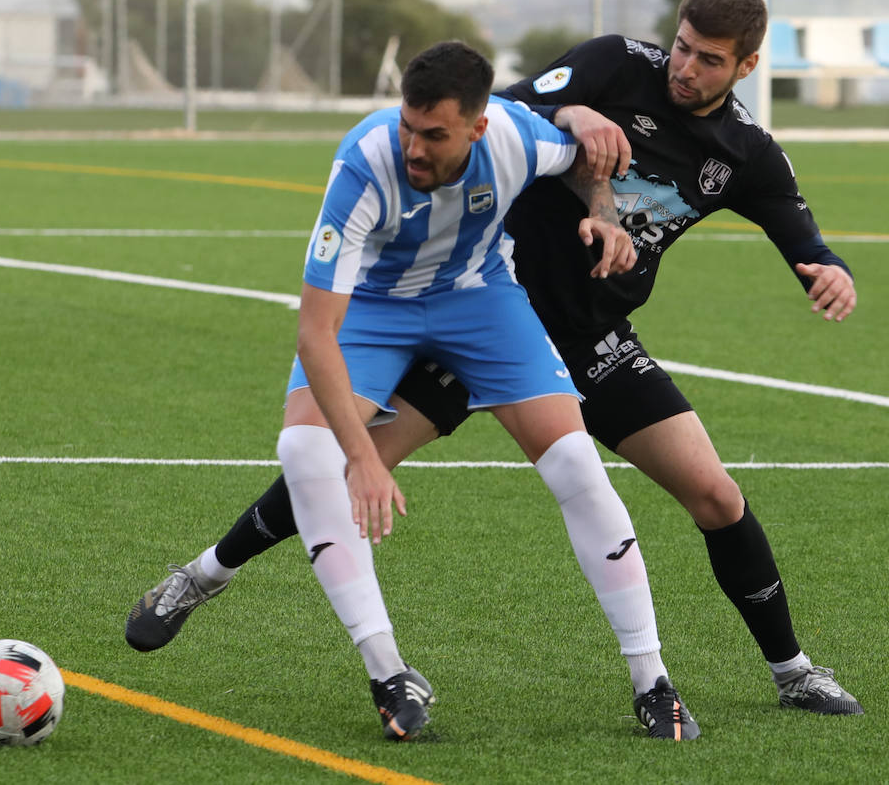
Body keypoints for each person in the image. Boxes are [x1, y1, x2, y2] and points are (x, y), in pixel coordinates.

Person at [129, 0, 864, 718]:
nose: (684, 67)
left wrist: (827, 269)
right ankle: (205, 573)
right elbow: (494, 109)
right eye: (681, 46)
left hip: (591, 338)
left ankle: (793, 670)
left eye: (708, 59)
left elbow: (803, 236)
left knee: (714, 494)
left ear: (747, 66)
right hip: (482, 309)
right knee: (352, 465)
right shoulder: (613, 63)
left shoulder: (747, 152)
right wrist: (573, 108)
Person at [130, 41, 699, 742]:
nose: (414, 148)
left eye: (434, 135)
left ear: (478, 128)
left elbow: (584, 161)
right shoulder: (365, 164)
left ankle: (652, 680)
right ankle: (388, 673)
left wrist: (605, 210)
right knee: (305, 453)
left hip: (480, 300)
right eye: (409, 127)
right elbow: (316, 333)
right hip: (374, 308)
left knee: (578, 463)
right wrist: (361, 458)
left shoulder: (517, 138)